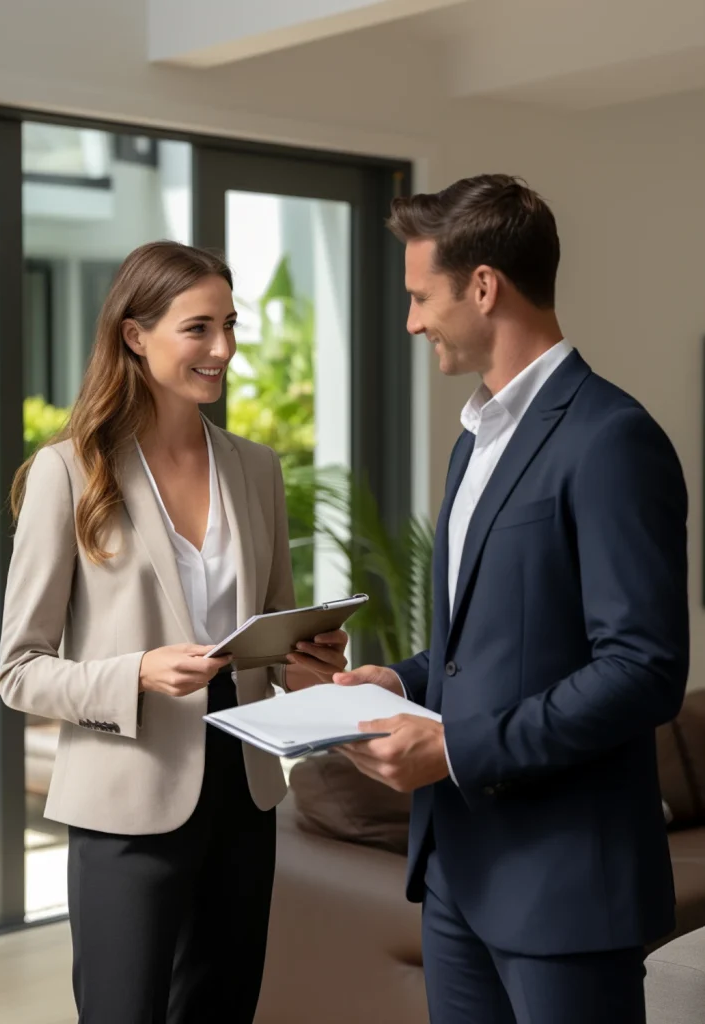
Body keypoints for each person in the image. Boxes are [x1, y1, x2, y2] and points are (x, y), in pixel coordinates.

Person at [334, 175, 689, 1024]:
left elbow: (644, 669)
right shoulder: (476, 442)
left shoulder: (612, 438)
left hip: (564, 887)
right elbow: (479, 641)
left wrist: (453, 749)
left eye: (423, 296)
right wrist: (403, 683)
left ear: (484, 286)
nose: (413, 320)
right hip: (457, 873)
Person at [0, 240, 348, 1024]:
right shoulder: (70, 472)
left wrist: (310, 660)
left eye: (229, 324)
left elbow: (274, 634)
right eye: (198, 328)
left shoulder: (257, 469)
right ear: (134, 334)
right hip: (127, 800)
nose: (222, 349)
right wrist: (138, 673)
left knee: (222, 1010)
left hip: (245, 792)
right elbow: (19, 671)